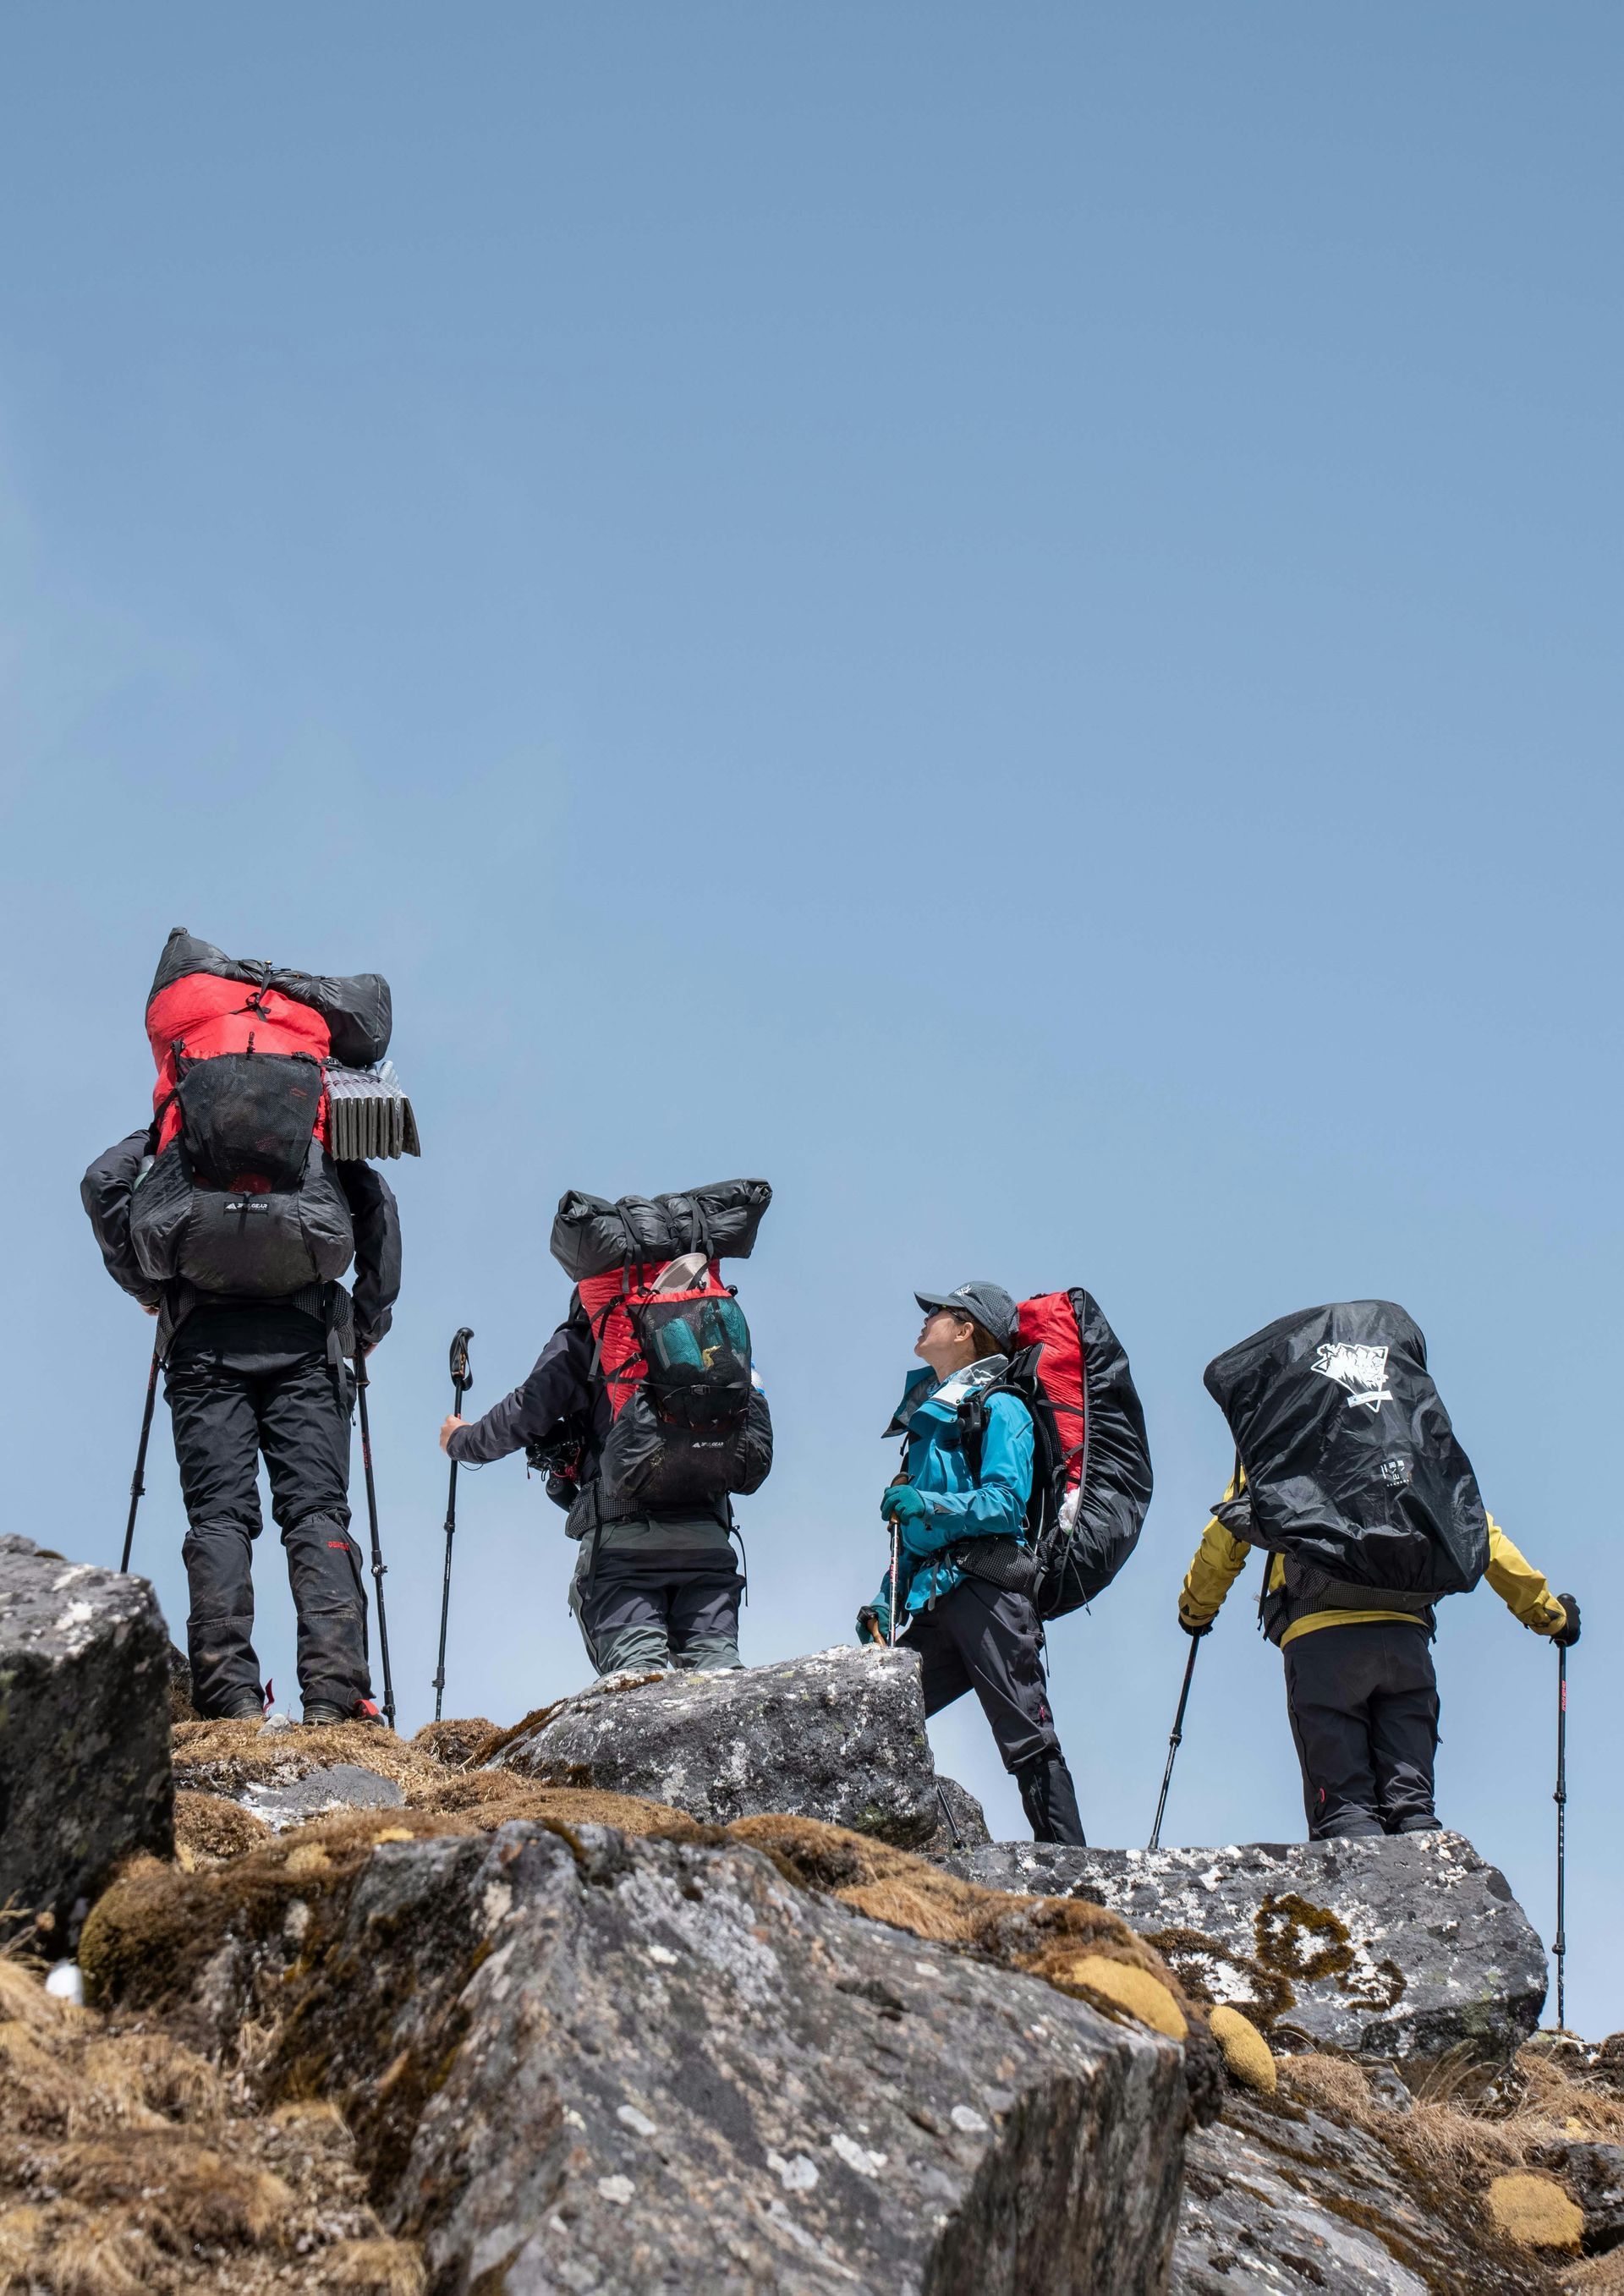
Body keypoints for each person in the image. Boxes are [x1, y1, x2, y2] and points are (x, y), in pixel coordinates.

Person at [1177, 1488, 1580, 1838]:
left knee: (1345, 1812)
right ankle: (1431, 1912)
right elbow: (1476, 1525)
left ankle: (1355, 1919)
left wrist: (1196, 1610)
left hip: (1320, 1640)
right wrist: (1548, 1615)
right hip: (1404, 1637)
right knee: (1412, 1807)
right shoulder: (1401, 1425)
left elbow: (1228, 1530)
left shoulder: (1284, 1417)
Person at [440, 1290, 771, 1675]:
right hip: (708, 1539)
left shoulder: (590, 1335)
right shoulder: (706, 1331)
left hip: (625, 1550)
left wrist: (460, 1440)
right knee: (719, 1674)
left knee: (639, 1680)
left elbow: (524, 1413)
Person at [859, 1280, 1084, 1845]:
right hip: (942, 1601)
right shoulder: (933, 1419)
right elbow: (911, 1540)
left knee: (1027, 1739)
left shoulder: (1000, 1406)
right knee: (879, 1716)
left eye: (939, 1311)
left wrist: (926, 1501)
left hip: (990, 1594)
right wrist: (883, 1607)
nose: (926, 1319)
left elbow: (1004, 1503)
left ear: (966, 1330)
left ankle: (1076, 1876)